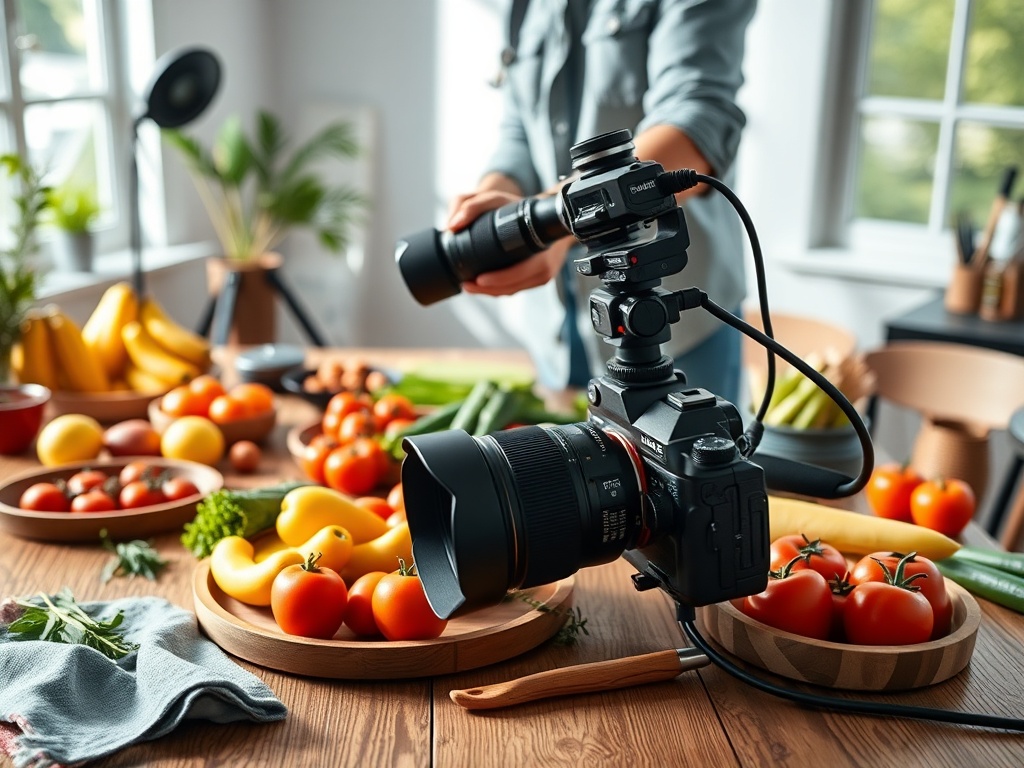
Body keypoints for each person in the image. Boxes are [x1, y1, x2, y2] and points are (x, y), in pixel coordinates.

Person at [446, 0, 757, 406]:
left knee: (693, 465)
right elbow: (520, 129)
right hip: (558, 325)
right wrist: (497, 207)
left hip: (675, 324)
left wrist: (555, 223)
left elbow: (697, 120)